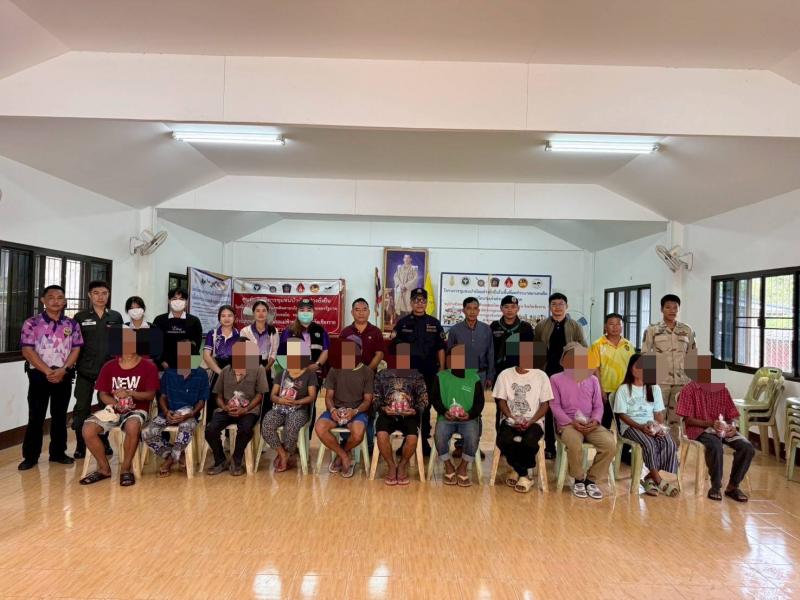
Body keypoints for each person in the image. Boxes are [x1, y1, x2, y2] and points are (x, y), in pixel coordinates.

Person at [78, 327, 159, 486]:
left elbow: (150, 395)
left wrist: (130, 393)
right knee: (87, 429)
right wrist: (116, 404)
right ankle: (104, 469)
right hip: (113, 410)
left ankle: (126, 469)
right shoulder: (109, 366)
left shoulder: (148, 366)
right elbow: (103, 394)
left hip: (137, 410)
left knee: (132, 425)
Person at [18, 285, 83, 471]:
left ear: (65, 301)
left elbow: (76, 349)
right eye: (51, 297)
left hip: (64, 374)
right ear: (43, 300)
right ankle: (30, 456)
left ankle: (58, 453)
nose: (56, 301)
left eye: (60, 297)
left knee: (60, 415)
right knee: (36, 416)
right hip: (39, 375)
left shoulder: (72, 324)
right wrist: (47, 371)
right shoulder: (32, 323)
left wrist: (63, 369)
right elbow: (27, 350)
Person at [676, 353, 754, 502]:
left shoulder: (722, 390)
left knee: (747, 447)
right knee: (715, 445)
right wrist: (711, 424)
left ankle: (733, 486)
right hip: (700, 429)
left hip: (722, 429)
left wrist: (732, 427)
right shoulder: (689, 389)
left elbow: (731, 415)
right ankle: (715, 486)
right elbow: (688, 420)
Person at [550, 342, 615, 499]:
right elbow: (555, 406)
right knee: (574, 443)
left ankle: (591, 480)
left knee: (609, 444)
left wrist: (595, 420)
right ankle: (578, 478)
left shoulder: (592, 380)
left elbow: (598, 406)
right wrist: (571, 422)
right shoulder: (555, 379)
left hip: (590, 423)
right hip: (568, 424)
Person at [613, 353, 679, 497]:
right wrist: (640, 427)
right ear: (631, 369)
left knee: (669, 443)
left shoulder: (654, 388)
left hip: (650, 426)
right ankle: (658, 480)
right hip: (631, 427)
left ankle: (649, 478)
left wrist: (658, 426)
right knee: (649, 444)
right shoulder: (624, 389)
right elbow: (622, 415)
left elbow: (658, 413)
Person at [141, 340, 208, 477]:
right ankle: (176, 455)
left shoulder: (201, 374)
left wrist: (189, 415)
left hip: (189, 415)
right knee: (147, 432)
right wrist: (166, 412)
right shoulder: (169, 373)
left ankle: (170, 461)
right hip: (169, 413)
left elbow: (202, 401)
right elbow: (162, 397)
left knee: (185, 430)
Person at [72, 280, 124, 459]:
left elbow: (120, 344)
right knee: (81, 408)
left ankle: (103, 441)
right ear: (89, 295)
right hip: (85, 371)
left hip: (108, 372)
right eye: (96, 293)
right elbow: (74, 345)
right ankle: (81, 445)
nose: (100, 297)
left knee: (107, 408)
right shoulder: (80, 317)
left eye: (104, 293)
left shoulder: (115, 317)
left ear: (108, 295)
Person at [392, 287, 446, 455]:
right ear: (411, 302)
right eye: (416, 300)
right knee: (407, 404)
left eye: (423, 301)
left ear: (426, 303)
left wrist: (442, 369)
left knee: (426, 405)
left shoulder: (434, 323)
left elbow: (441, 348)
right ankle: (407, 440)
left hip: (429, 372)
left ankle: (423, 440)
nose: (419, 303)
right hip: (408, 373)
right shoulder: (402, 323)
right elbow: (396, 348)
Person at [492, 341, 553, 493]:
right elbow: (501, 401)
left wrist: (531, 421)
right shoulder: (505, 375)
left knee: (530, 442)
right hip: (510, 420)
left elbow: (545, 405)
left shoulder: (541, 376)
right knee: (503, 440)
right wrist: (512, 417)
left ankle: (516, 470)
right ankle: (524, 474)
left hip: (534, 421)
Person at [534, 292, 587, 459]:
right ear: (549, 307)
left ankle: (569, 442)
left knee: (567, 406)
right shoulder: (541, 325)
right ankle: (550, 446)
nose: (557, 307)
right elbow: (536, 350)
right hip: (547, 372)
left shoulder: (575, 326)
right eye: (554, 304)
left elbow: (583, 348)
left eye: (561, 304)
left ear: (567, 306)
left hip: (569, 374)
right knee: (549, 408)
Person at [204, 339, 268, 475]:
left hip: (249, 410)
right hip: (227, 409)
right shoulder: (226, 370)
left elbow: (260, 395)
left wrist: (245, 409)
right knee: (210, 429)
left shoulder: (258, 369)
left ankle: (236, 460)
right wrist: (224, 407)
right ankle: (220, 460)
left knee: (245, 429)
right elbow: (218, 395)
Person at [314, 338, 374, 479]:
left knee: (358, 434)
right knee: (320, 428)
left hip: (357, 411)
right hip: (336, 409)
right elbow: (329, 397)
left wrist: (355, 411)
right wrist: (333, 410)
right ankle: (344, 456)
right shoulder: (335, 369)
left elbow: (367, 400)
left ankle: (342, 452)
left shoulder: (367, 372)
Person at [373, 342, 428, 485]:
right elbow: (375, 398)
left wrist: (414, 410)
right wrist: (384, 408)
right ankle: (391, 465)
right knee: (381, 435)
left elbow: (424, 399)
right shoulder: (382, 375)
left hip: (409, 415)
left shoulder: (416, 376)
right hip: (387, 414)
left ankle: (402, 465)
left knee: (412, 438)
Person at [430, 344, 485, 487]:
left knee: (473, 437)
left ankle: (462, 467)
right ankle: (448, 465)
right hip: (446, 418)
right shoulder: (441, 377)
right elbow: (435, 399)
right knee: (439, 436)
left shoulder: (474, 377)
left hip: (468, 419)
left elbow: (480, 402)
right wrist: (444, 411)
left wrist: (469, 414)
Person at [261, 338, 317, 472]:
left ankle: (289, 453)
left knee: (291, 426)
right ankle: (283, 454)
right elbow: (273, 395)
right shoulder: (282, 373)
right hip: (280, 408)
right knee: (267, 425)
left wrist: (297, 402)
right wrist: (280, 400)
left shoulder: (309, 374)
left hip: (299, 409)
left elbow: (312, 396)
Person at [642, 294, 696, 426]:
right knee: (657, 415)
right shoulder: (652, 329)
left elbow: (692, 355)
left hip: (681, 382)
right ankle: (657, 439)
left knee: (677, 418)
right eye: (668, 307)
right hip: (659, 381)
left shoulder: (687, 330)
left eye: (675, 307)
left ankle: (674, 440)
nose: (672, 311)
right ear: (662, 309)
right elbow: (645, 354)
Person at [589, 313, 635, 428]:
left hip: (624, 389)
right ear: (605, 326)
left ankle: (624, 441)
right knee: (604, 423)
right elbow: (594, 369)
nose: (615, 327)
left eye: (618, 324)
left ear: (622, 326)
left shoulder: (628, 345)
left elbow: (633, 368)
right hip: (606, 390)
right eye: (611, 324)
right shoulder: (597, 344)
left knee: (624, 424)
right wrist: (600, 390)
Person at [277, 299, 330, 382]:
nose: (305, 313)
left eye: (309, 310)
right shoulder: (289, 331)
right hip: (293, 376)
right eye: (302, 310)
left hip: (315, 374)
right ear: (297, 313)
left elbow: (326, 350)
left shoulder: (321, 330)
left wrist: (317, 365)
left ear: (313, 312)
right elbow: (281, 354)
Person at [447, 297, 494, 389]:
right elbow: (450, 355)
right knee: (461, 398)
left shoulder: (486, 329)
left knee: (479, 398)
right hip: (461, 375)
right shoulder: (455, 330)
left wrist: (490, 376)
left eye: (475, 308)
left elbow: (490, 353)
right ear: (463, 310)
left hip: (481, 375)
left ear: (478, 311)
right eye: (469, 308)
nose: (472, 312)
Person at [152, 288, 204, 370]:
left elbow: (196, 345)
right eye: (174, 299)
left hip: (185, 366)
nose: (178, 301)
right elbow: (154, 344)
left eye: (181, 299)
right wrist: (162, 362)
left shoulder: (194, 321)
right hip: (163, 367)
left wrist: (187, 365)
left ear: (186, 302)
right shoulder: (159, 320)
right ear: (169, 301)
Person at [490, 295, 535, 376]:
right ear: (501, 308)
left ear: (518, 308)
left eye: (513, 307)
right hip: (497, 370)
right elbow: (490, 350)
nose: (510, 310)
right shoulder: (494, 326)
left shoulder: (525, 327)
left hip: (518, 370)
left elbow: (528, 353)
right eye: (506, 307)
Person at [340, 298, 385, 371]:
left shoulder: (376, 332)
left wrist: (367, 371)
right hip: (349, 373)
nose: (361, 313)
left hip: (370, 373)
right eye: (357, 310)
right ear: (352, 312)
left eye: (364, 310)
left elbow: (379, 354)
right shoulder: (345, 332)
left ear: (369, 312)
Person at [240, 300, 279, 372]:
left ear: (267, 313)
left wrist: (266, 368)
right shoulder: (245, 331)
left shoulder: (274, 331)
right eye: (258, 311)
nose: (261, 313)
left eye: (264, 311)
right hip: (249, 367)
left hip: (267, 366)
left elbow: (274, 352)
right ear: (253, 313)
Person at [202, 304, 240, 379]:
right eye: (223, 316)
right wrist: (220, 373)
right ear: (219, 318)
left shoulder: (240, 334)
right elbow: (206, 356)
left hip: (235, 373)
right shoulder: (212, 333)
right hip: (216, 370)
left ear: (234, 317)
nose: (226, 318)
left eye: (230, 316)